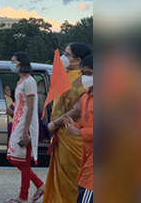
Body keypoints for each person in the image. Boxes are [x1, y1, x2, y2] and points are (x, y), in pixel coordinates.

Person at [43, 43, 91, 203]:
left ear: (78, 60)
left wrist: (55, 123)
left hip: (74, 135)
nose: (63, 57)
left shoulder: (83, 78)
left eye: (67, 54)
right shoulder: (67, 76)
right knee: (62, 180)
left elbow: (77, 110)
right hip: (64, 135)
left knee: (71, 178)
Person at [6, 51, 44, 203]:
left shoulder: (29, 81)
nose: (12, 64)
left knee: (23, 161)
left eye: (14, 61)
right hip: (18, 123)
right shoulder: (20, 81)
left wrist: (26, 131)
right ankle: (40, 185)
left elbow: (30, 108)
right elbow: (21, 106)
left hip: (24, 126)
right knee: (16, 159)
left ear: (22, 63)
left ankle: (23, 196)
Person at [63, 54, 93, 203]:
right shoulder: (86, 97)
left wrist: (79, 132)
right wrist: (73, 126)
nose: (84, 78)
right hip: (87, 156)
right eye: (83, 73)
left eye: (89, 74)